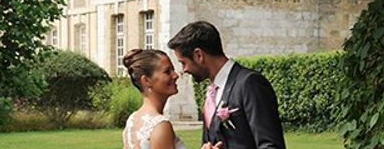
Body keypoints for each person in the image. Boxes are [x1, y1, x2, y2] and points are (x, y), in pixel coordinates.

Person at [168, 21, 286, 149]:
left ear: (199, 55)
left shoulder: (249, 83)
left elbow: (271, 146)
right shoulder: (212, 92)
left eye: (183, 63)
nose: (183, 70)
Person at [122, 48, 187, 149]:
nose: (175, 75)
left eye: (173, 70)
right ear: (146, 80)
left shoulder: (132, 120)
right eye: (167, 71)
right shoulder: (160, 126)